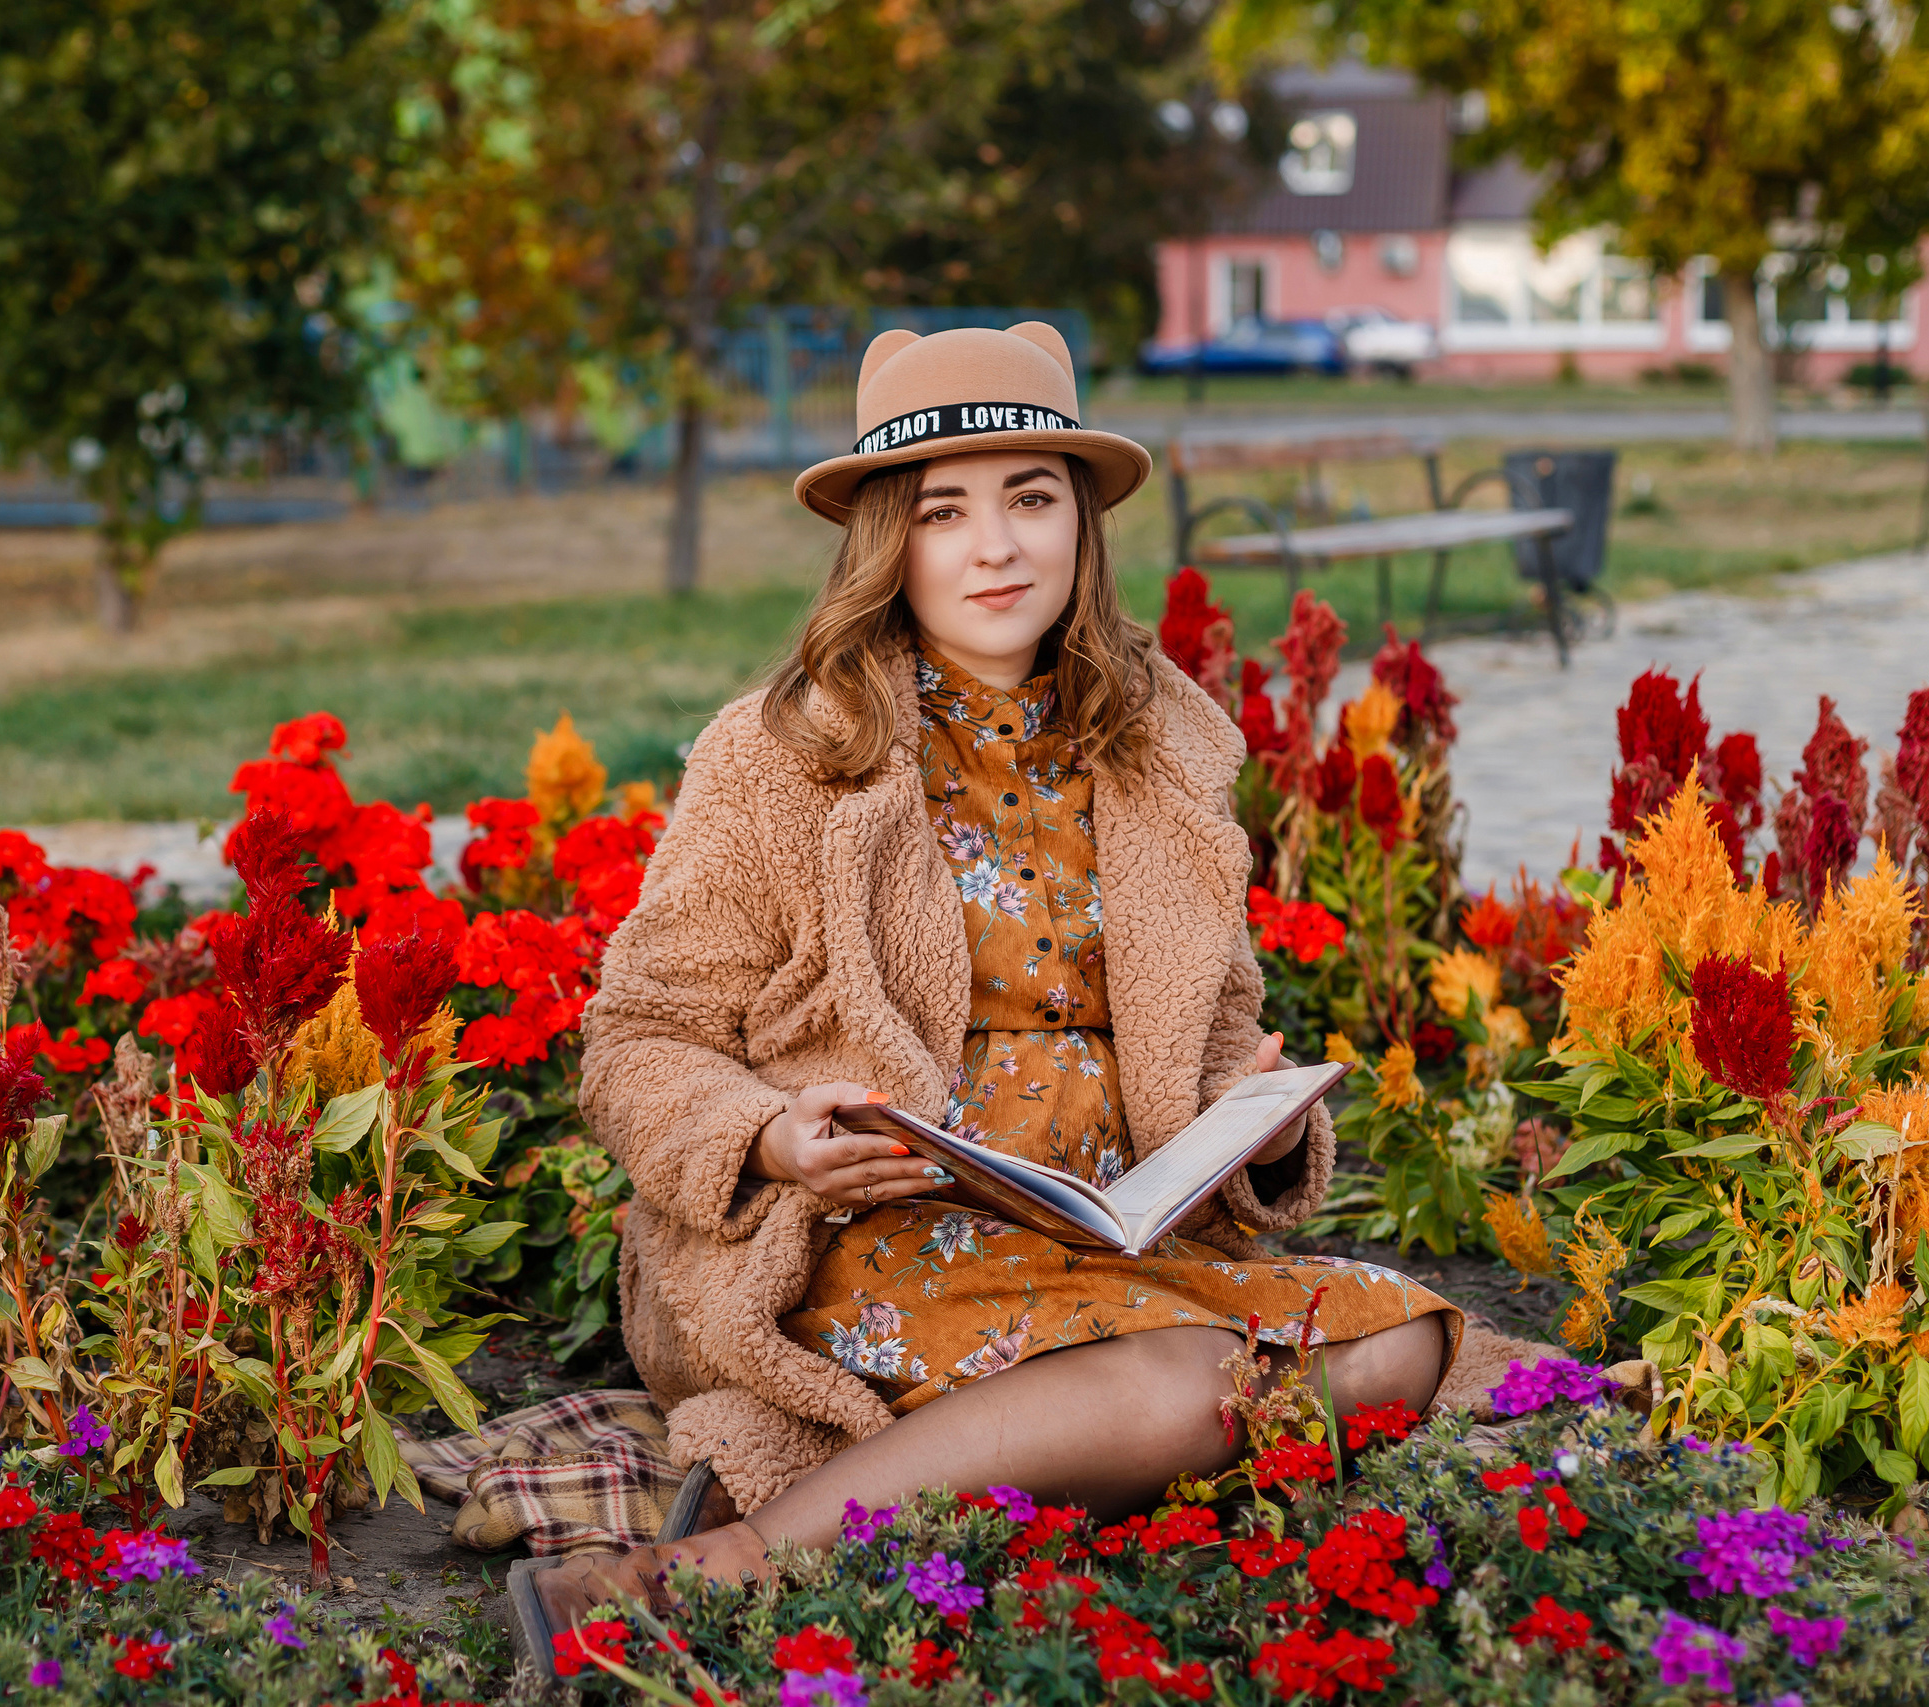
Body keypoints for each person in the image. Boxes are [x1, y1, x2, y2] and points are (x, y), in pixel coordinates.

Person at [543, 323, 1459, 1621]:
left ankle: (1038, 1448)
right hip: (864, 1231)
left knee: (1403, 1340)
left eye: (1033, 499)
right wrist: (772, 1140)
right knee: (1184, 1388)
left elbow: (1208, 1030)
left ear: (1080, 525)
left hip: (1106, 1229)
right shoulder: (783, 754)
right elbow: (638, 1036)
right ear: (886, 542)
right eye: (945, 511)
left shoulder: (1163, 747)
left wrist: (1246, 1130)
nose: (997, 546)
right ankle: (717, 1575)